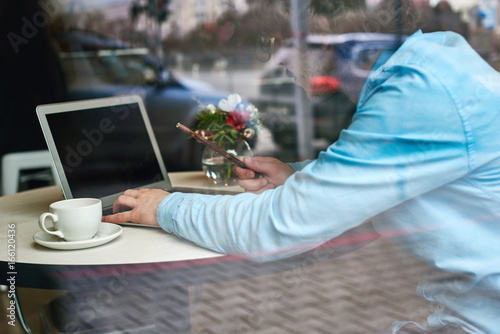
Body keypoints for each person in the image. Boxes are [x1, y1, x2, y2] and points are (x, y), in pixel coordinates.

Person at [104, 14, 500, 334]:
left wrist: (165, 207)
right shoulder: (431, 63)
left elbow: (278, 226)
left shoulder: (419, 92)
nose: (274, 61)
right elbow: (387, 166)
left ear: (321, 30)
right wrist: (298, 176)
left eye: (276, 42)